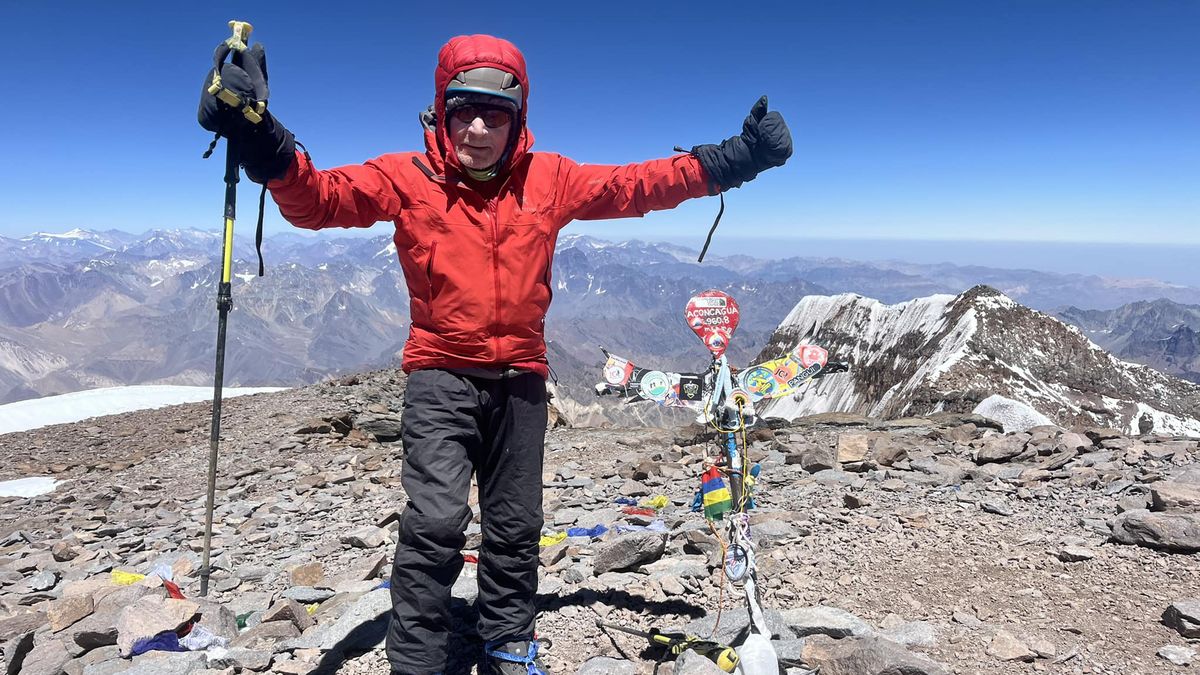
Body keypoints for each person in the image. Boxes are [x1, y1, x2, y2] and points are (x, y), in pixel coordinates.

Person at [199, 33, 791, 675]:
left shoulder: (550, 178)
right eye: (464, 111)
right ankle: (418, 661)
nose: (478, 129)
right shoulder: (406, 178)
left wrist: (735, 159)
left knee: (515, 523)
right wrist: (265, 141)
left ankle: (508, 638)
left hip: (521, 381)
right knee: (435, 523)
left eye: (496, 113)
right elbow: (320, 201)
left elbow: (635, 186)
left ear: (519, 118)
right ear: (441, 110)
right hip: (439, 375)